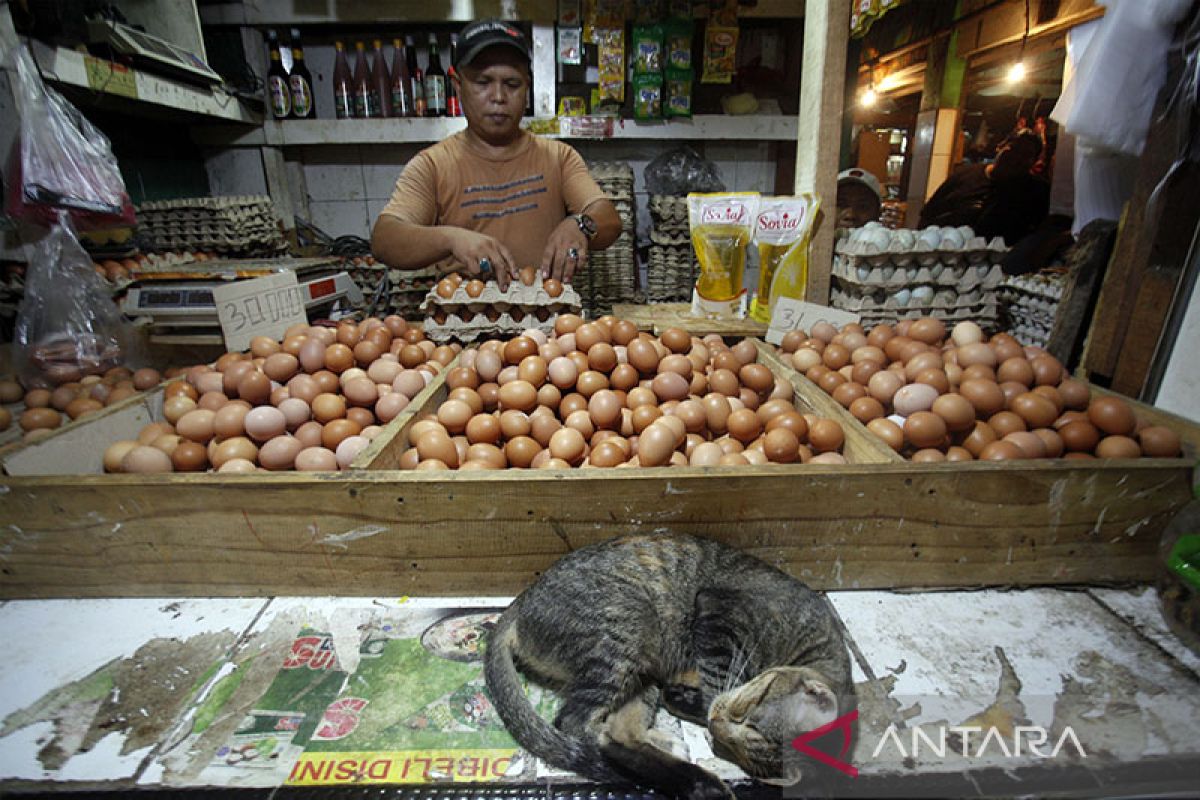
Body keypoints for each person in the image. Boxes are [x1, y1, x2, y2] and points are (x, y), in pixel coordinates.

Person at [371, 20, 621, 290]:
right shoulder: (432, 165)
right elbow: (385, 240)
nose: (499, 97)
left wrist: (580, 225)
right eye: (483, 82)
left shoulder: (558, 157)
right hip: (470, 324)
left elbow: (608, 218)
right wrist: (450, 239)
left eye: (512, 84)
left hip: (546, 324)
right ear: (457, 84)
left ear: (527, 88)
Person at [918, 129, 1050, 245]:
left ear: (1033, 162)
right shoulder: (964, 176)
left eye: (1026, 155)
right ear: (1000, 147)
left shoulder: (1036, 193)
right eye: (1014, 149)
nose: (1017, 158)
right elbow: (928, 214)